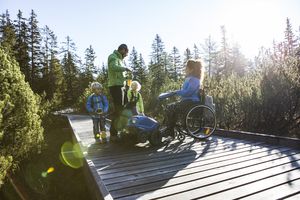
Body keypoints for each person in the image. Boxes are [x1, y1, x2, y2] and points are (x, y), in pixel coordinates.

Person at [165, 59, 205, 139]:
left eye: (186, 68)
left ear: (191, 69)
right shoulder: (190, 78)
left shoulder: (194, 80)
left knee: (171, 107)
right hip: (187, 101)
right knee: (169, 107)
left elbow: (188, 92)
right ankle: (170, 129)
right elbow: (185, 92)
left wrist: (177, 92)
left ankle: (170, 130)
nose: (185, 69)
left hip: (192, 102)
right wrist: (176, 92)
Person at [107, 44, 130, 142]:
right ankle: (113, 134)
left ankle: (123, 130)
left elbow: (121, 75)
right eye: (126, 52)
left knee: (125, 108)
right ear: (122, 50)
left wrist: (127, 79)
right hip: (115, 86)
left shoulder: (121, 60)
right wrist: (125, 68)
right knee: (118, 109)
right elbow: (113, 67)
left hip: (122, 86)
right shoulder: (112, 57)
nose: (126, 55)